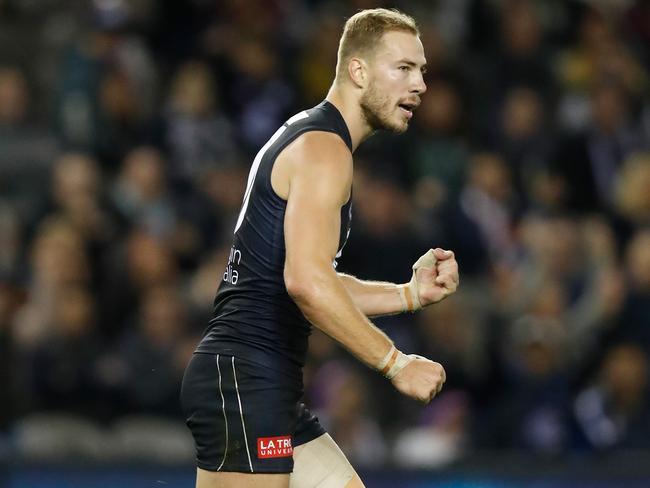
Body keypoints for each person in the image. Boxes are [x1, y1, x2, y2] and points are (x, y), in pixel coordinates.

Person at [180, 8, 460, 488]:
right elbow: (305, 283)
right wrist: (396, 364)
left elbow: (308, 280)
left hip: (258, 383)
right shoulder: (325, 150)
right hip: (247, 381)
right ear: (358, 70)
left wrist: (408, 295)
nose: (419, 85)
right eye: (403, 68)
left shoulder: (313, 138)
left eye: (422, 71)